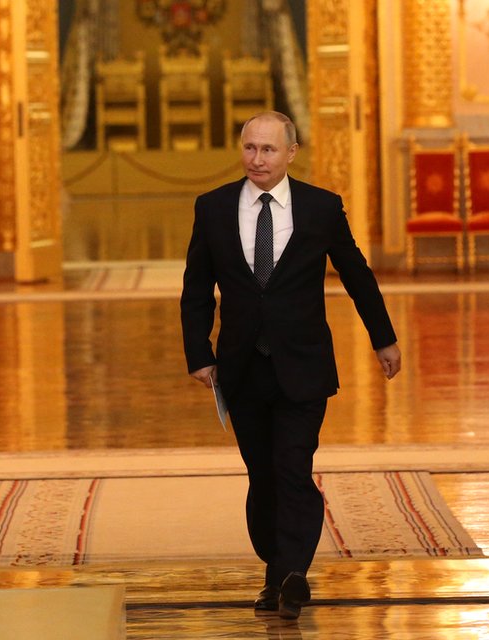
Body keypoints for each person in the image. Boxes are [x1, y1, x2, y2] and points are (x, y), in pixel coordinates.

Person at [180, 111, 401, 620]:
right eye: (250, 148)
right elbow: (196, 289)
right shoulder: (212, 208)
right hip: (240, 369)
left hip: (303, 365)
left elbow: (356, 274)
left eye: (269, 150)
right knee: (263, 475)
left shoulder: (321, 208)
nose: (257, 159)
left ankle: (294, 572)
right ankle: (275, 570)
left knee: (292, 468)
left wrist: (383, 338)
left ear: (291, 153)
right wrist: (198, 353)